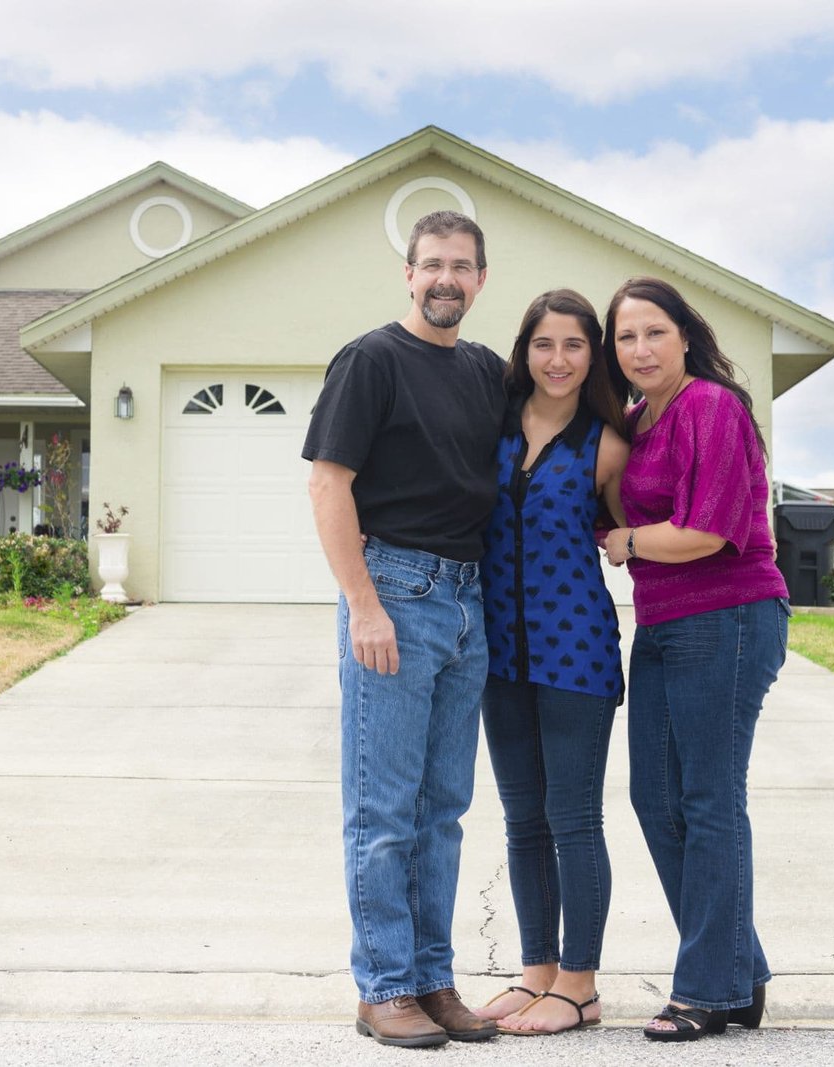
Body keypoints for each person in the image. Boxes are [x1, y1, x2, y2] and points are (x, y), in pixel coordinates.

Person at [303, 211, 506, 1048]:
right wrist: (363, 602)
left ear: (481, 279)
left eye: (461, 266)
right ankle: (382, 984)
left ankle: (430, 977)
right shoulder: (371, 360)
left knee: (443, 809)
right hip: (394, 589)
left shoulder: (488, 373)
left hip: (467, 600)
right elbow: (327, 484)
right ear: (408, 274)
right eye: (431, 265)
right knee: (383, 808)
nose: (445, 279)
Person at [600, 276, 789, 1042]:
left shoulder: (711, 405)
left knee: (709, 798)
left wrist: (629, 541)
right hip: (665, 622)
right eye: (625, 337)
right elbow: (622, 502)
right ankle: (741, 974)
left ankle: (706, 990)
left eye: (653, 332)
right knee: (657, 797)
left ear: (685, 334)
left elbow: (707, 531)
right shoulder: (641, 418)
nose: (639, 348)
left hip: (731, 614)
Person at [473, 289, 630, 1035]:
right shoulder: (492, 426)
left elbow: (640, 524)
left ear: (592, 354)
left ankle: (580, 982)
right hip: (498, 652)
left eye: (574, 344)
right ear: (524, 350)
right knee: (521, 818)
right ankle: (537, 971)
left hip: (578, 655)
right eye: (544, 343)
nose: (558, 359)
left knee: (573, 817)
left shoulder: (607, 443)